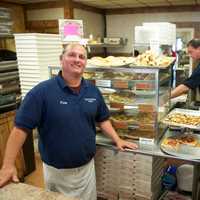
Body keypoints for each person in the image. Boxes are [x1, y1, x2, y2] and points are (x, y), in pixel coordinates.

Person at [0, 44, 137, 200]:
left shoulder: (92, 91)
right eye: (72, 55)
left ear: (85, 63)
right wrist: (8, 165)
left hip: (87, 170)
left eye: (82, 57)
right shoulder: (41, 92)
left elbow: (102, 119)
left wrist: (117, 139)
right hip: (57, 173)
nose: (77, 60)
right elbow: (20, 129)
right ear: (61, 59)